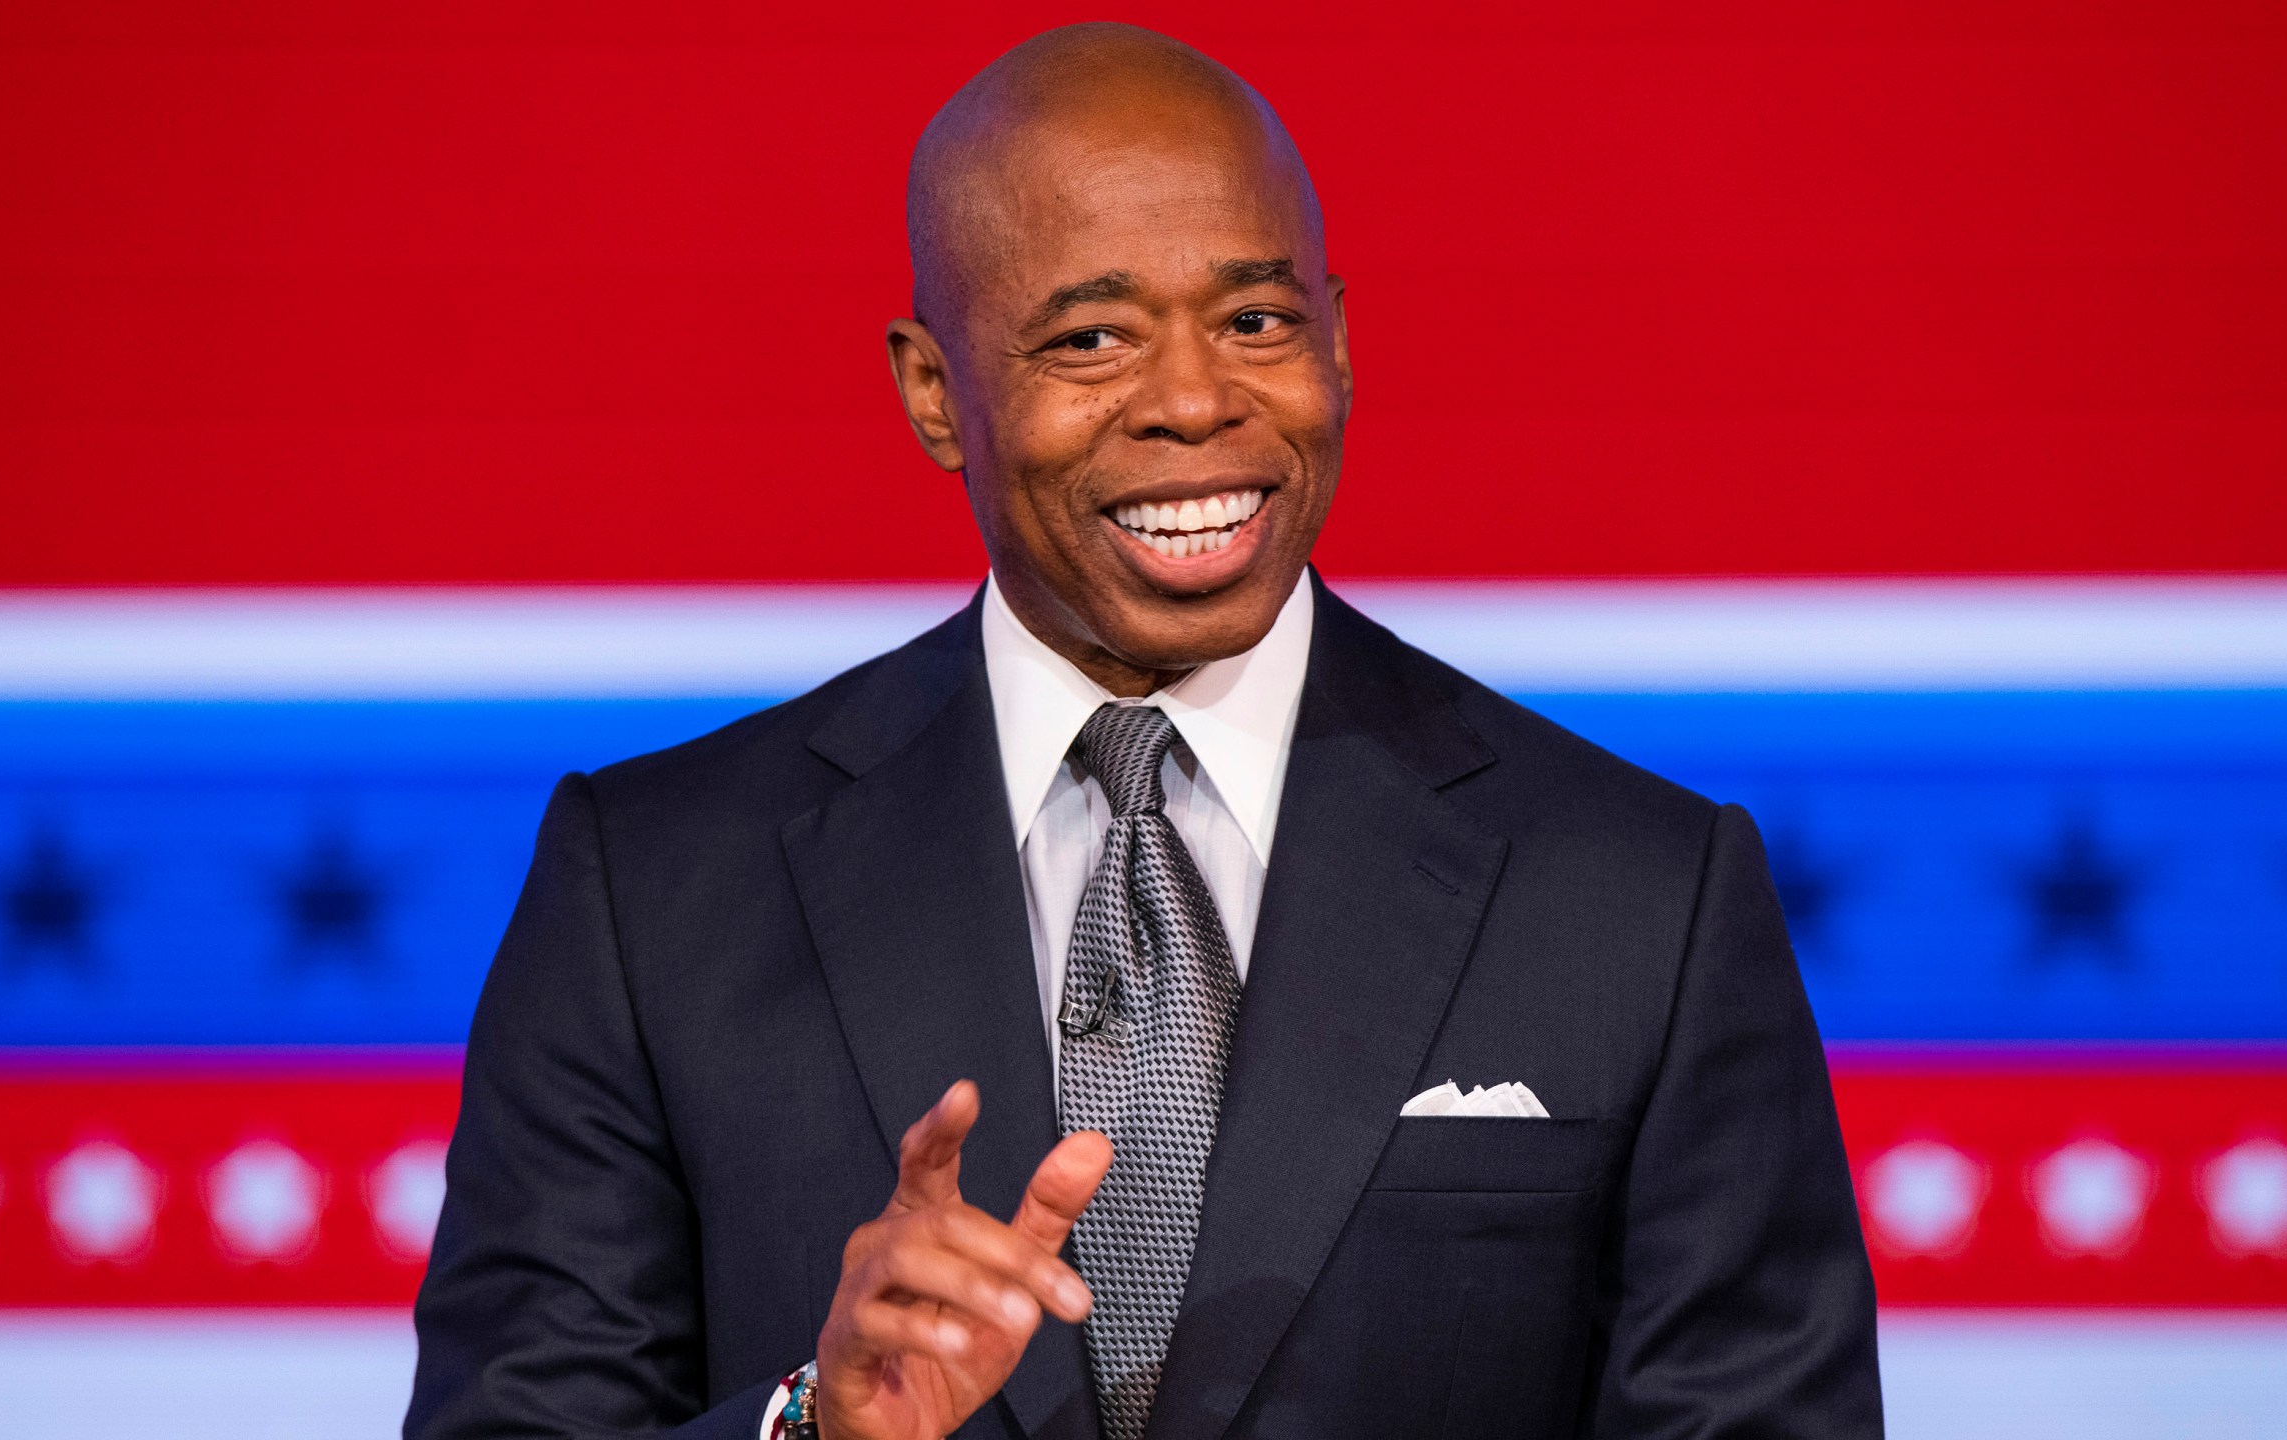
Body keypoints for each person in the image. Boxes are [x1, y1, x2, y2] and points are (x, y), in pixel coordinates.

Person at [406, 22, 1879, 1440]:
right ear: (935, 391)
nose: (1195, 400)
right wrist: (817, 1430)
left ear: (1342, 339)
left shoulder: (1641, 894)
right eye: (1093, 337)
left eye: (1256, 320)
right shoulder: (653, 890)